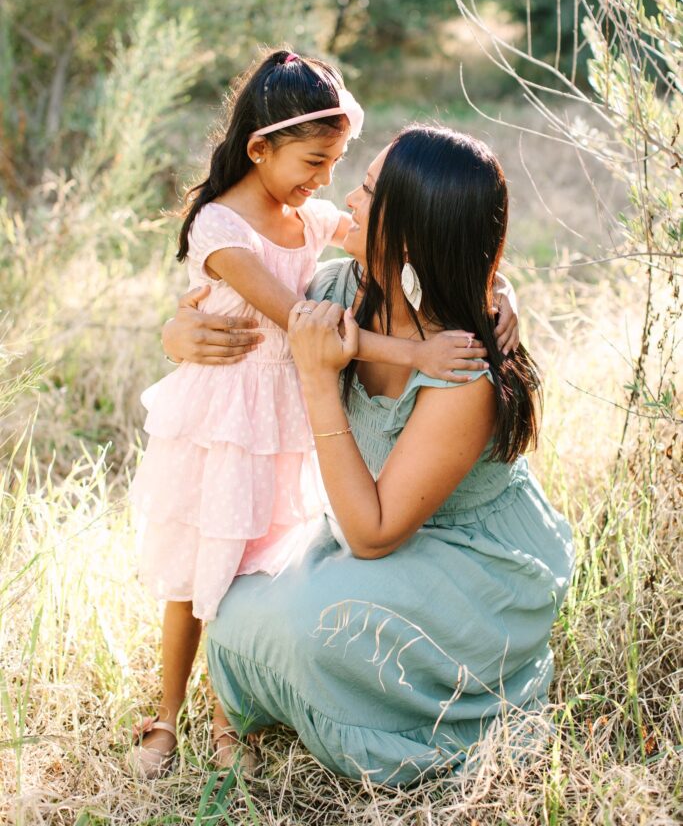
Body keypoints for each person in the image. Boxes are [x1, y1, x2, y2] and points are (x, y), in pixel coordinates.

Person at [128, 52, 503, 779]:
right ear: (259, 147)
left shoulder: (303, 214)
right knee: (194, 573)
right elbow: (305, 323)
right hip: (224, 417)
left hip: (281, 418)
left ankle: (226, 715)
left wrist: (499, 295)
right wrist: (414, 355)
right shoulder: (219, 229)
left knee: (251, 565)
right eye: (314, 160)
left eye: (338, 163)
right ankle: (165, 717)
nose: (326, 181)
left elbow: (415, 237)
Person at [163, 125, 574, 785]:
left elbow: (373, 533)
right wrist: (177, 334)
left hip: (465, 564)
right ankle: (310, 685)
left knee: (315, 630)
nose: (344, 201)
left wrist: (320, 382)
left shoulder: (463, 364)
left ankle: (417, 718)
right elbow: (233, 328)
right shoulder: (333, 290)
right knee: (230, 603)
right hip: (363, 535)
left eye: (366, 190)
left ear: (410, 233)